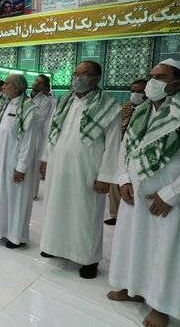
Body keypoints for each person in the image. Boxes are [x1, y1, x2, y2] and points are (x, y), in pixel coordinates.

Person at [108, 59, 180, 327]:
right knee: (131, 242)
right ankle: (131, 287)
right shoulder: (141, 111)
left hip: (168, 195)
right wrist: (124, 179)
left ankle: (161, 306)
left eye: (159, 77)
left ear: (179, 83)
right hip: (134, 192)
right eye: (151, 76)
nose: (151, 82)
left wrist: (171, 195)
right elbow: (126, 146)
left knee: (165, 250)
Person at [39, 61, 121, 279]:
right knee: (56, 207)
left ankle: (89, 259)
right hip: (59, 167)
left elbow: (113, 145)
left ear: (97, 78)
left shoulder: (110, 106)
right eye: (76, 73)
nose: (78, 77)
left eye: (84, 74)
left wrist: (105, 176)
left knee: (86, 215)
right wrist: (46, 159)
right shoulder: (64, 101)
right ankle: (56, 247)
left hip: (87, 170)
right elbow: (51, 132)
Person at [0, 75, 38, 245]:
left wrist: (21, 167)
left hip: (15, 163)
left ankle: (15, 236)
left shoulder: (29, 108)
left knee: (16, 198)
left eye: (7, 84)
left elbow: (28, 141)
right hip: (0, 160)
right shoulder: (6, 104)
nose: (3, 87)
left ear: (17, 88)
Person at [105, 79, 147, 226]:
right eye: (133, 90)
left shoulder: (150, 110)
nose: (135, 94)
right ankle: (116, 214)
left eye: (140, 91)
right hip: (120, 151)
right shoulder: (124, 108)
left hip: (138, 155)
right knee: (115, 184)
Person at [29, 75, 55, 199]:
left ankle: (32, 192)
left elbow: (39, 121)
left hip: (37, 137)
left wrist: (24, 120)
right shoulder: (26, 99)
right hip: (24, 136)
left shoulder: (46, 102)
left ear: (44, 87)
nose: (36, 83)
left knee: (34, 165)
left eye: (40, 83)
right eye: (36, 80)